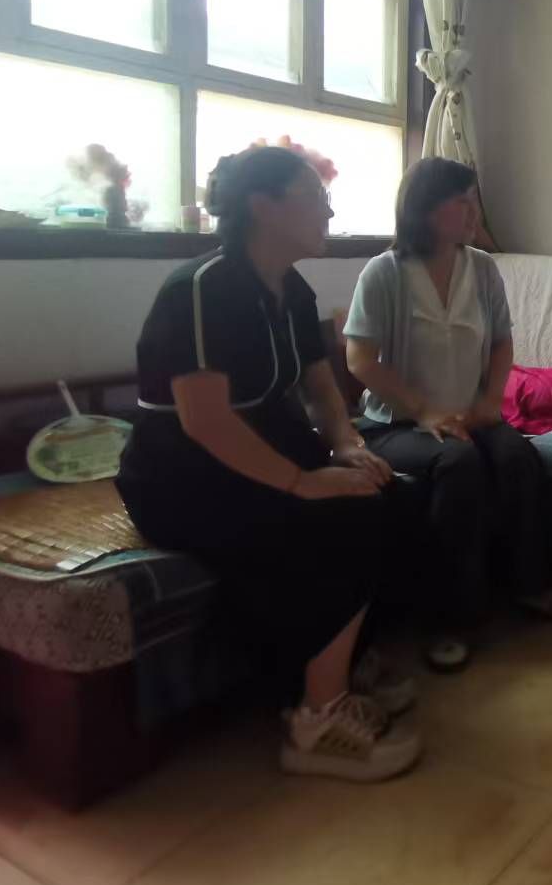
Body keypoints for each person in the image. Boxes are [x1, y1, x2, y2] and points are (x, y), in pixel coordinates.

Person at [115, 146, 423, 783]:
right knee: (347, 519)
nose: (329, 212)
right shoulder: (202, 289)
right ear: (263, 206)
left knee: (390, 493)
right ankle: (317, 720)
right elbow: (205, 420)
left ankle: (334, 665)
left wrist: (346, 446)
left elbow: (322, 389)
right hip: (183, 473)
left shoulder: (292, 288)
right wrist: (302, 483)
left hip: (263, 445)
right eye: (315, 198)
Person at [344, 157, 552, 674]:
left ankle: (532, 585)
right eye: (463, 202)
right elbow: (359, 359)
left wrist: (489, 403)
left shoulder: (481, 268)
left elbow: (501, 343)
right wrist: (425, 411)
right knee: (459, 464)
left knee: (518, 457)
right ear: (427, 210)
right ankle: (448, 618)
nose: (474, 212)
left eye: (474, 200)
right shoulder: (384, 272)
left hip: (470, 415)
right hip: (398, 425)